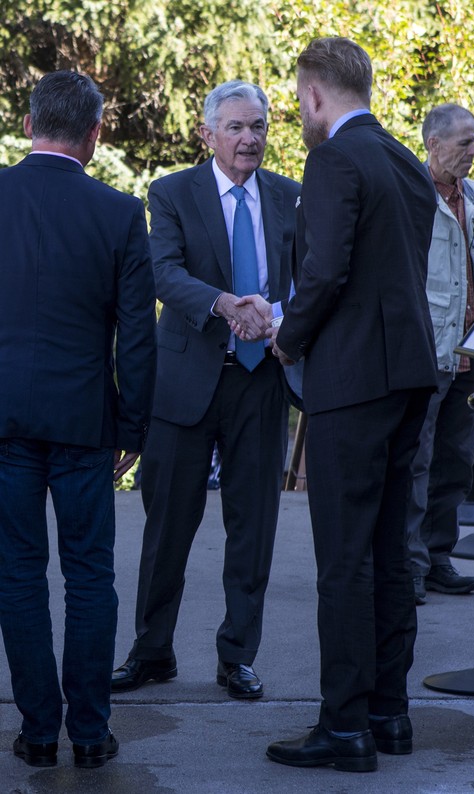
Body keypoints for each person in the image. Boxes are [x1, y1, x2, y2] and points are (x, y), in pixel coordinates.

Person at [266, 37, 438, 773]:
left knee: (344, 558)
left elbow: (326, 268)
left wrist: (288, 336)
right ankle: (388, 713)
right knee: (390, 550)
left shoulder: (334, 157)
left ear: (314, 95)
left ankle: (343, 727)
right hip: (407, 375)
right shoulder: (404, 159)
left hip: (351, 380)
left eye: (299, 101)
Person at [111, 81, 300, 699]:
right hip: (189, 381)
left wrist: (278, 319)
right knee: (167, 527)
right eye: (238, 127)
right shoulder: (170, 194)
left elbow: (306, 282)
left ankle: (237, 656)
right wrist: (224, 304)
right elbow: (163, 272)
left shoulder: (289, 198)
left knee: (255, 526)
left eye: (260, 127)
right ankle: (152, 652)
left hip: (261, 380)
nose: (251, 139)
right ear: (207, 133)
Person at [0, 71, 157, 769]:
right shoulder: (120, 212)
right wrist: (133, 427)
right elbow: (137, 338)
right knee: (91, 575)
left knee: (17, 573)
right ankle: (89, 734)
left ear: (30, 120)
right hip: (86, 422)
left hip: (5, 418)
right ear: (95, 134)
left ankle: (38, 733)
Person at [407, 104, 474, 606]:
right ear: (433, 145)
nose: (473, 151)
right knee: (417, 460)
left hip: (471, 350)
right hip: (429, 350)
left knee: (456, 462)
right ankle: (411, 565)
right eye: (464, 142)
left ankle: (439, 558)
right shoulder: (413, 196)